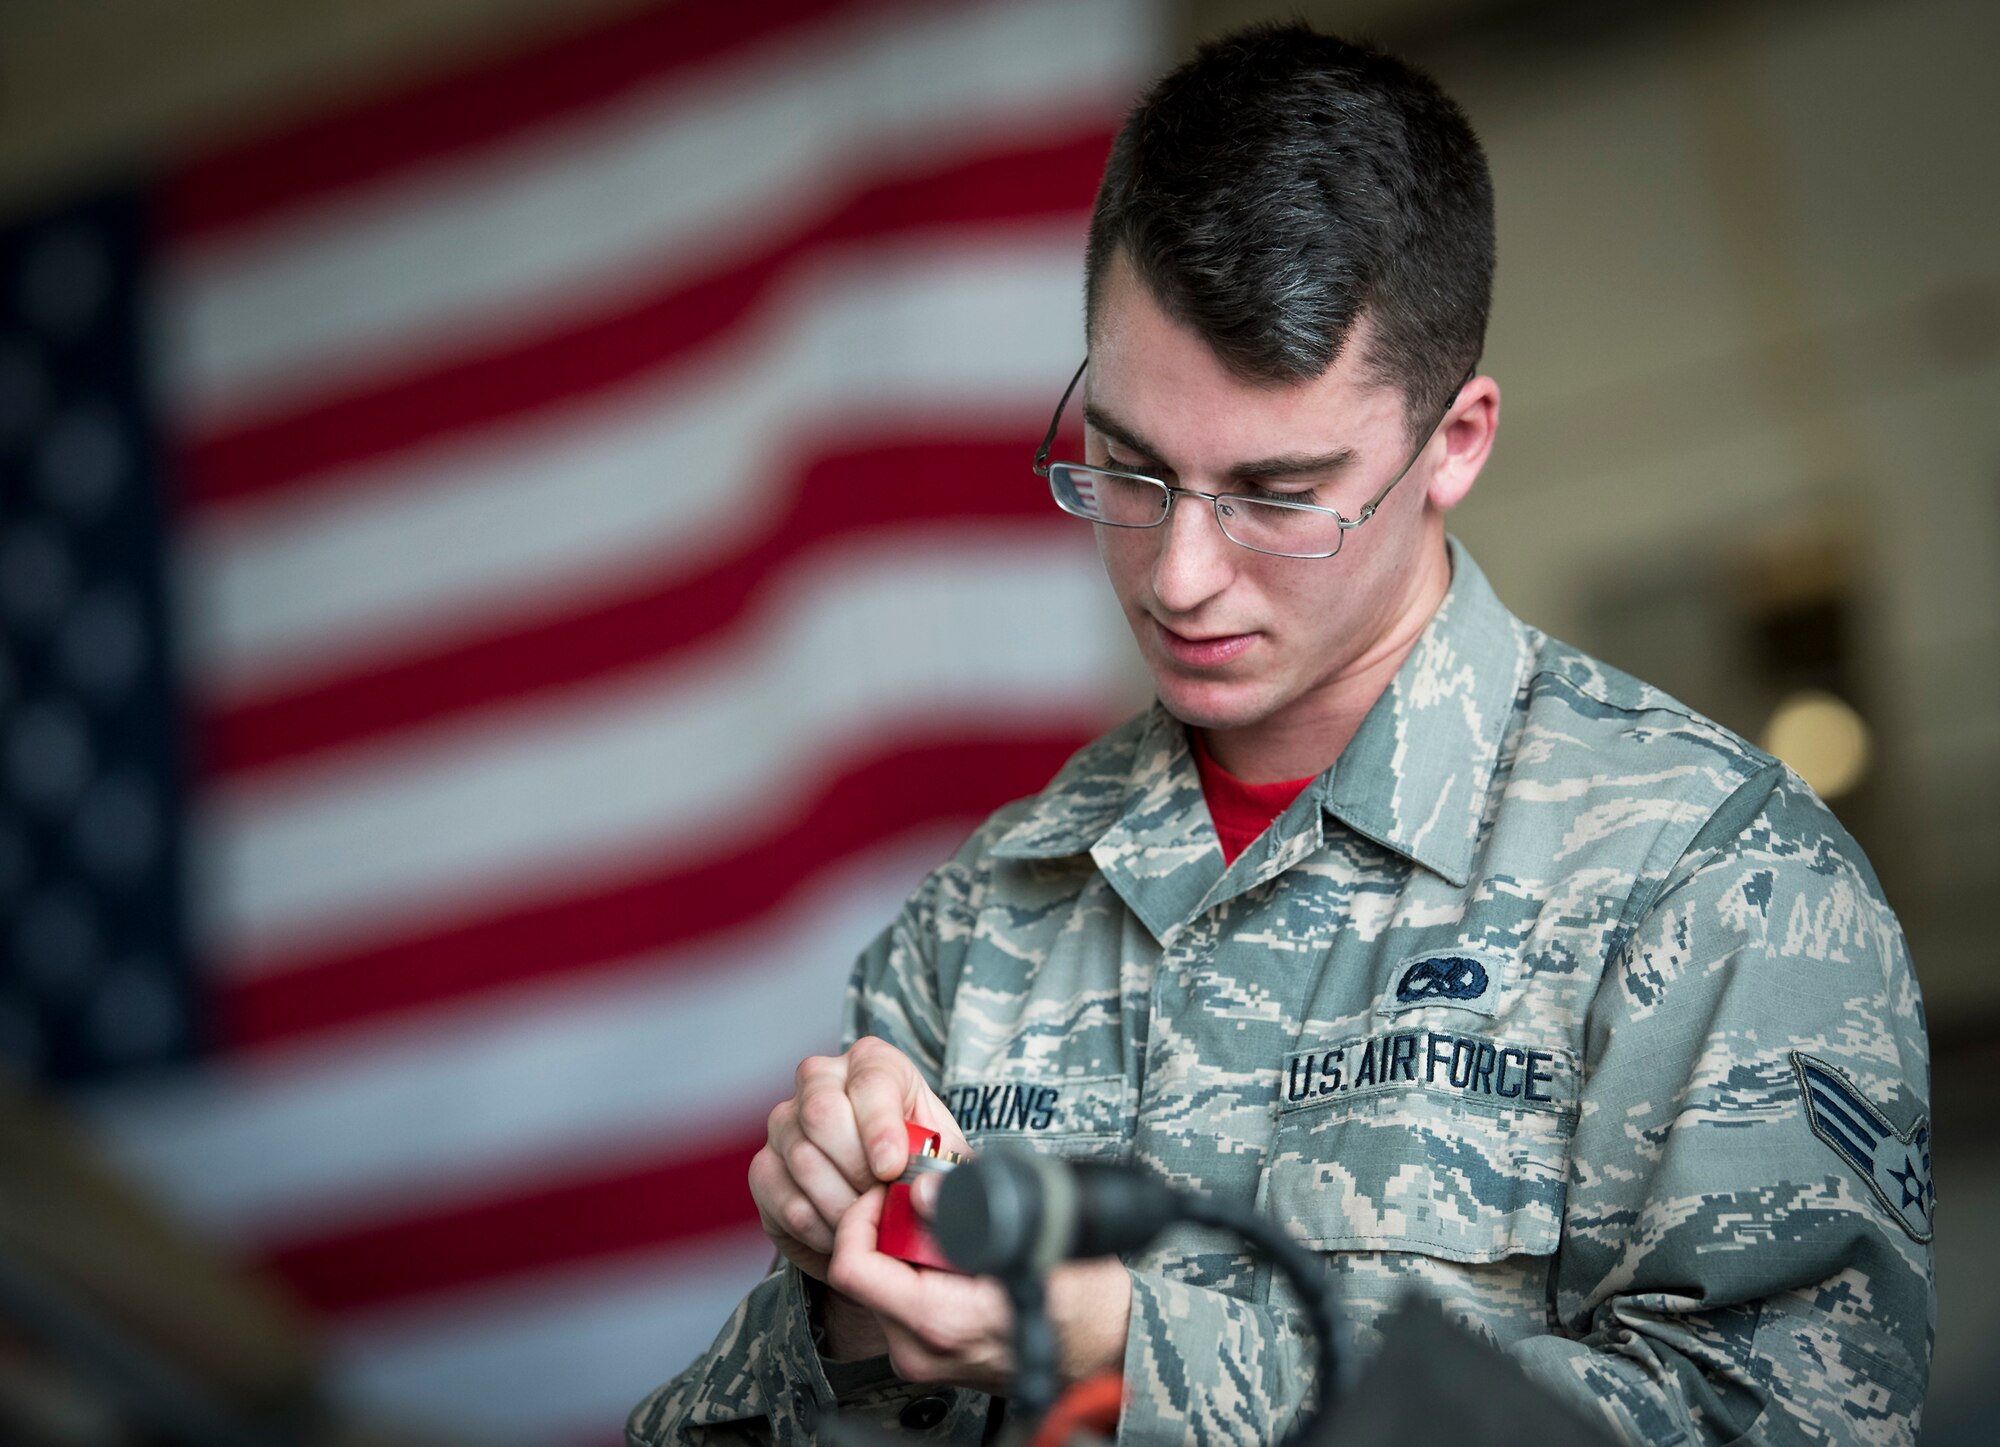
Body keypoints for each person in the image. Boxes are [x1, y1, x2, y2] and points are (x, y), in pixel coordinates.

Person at [628, 23, 1933, 1446]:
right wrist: (846, 1307)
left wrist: (1128, 1349)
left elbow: (1773, 1425)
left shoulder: (1712, 884)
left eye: (1276, 494)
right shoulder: (984, 918)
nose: (1181, 574)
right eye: (1128, 464)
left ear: (1456, 441)